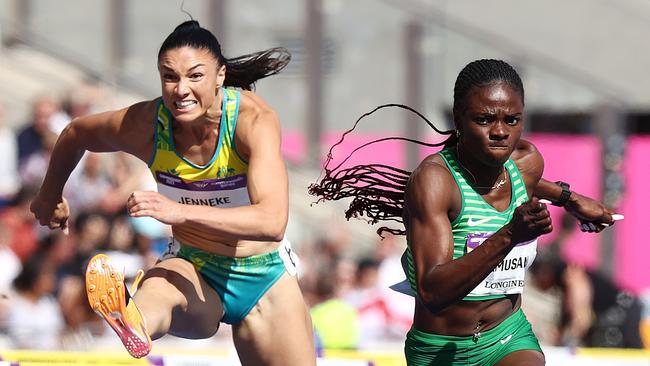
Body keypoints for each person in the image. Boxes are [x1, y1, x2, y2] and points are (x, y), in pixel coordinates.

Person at [30, 20, 316, 365]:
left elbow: (272, 222)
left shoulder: (252, 120)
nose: (181, 90)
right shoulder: (147, 125)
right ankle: (134, 319)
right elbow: (76, 133)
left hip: (265, 276)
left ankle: (138, 316)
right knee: (158, 289)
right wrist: (49, 196)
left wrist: (180, 211)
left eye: (195, 76)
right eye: (170, 77)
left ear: (220, 75)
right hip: (195, 266)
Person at [310, 59, 617, 365]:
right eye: (484, 119)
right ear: (458, 118)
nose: (500, 132)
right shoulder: (434, 181)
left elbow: (524, 180)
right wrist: (509, 235)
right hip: (441, 350)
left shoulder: (526, 162)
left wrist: (571, 199)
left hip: (507, 335)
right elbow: (434, 290)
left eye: (512, 120)